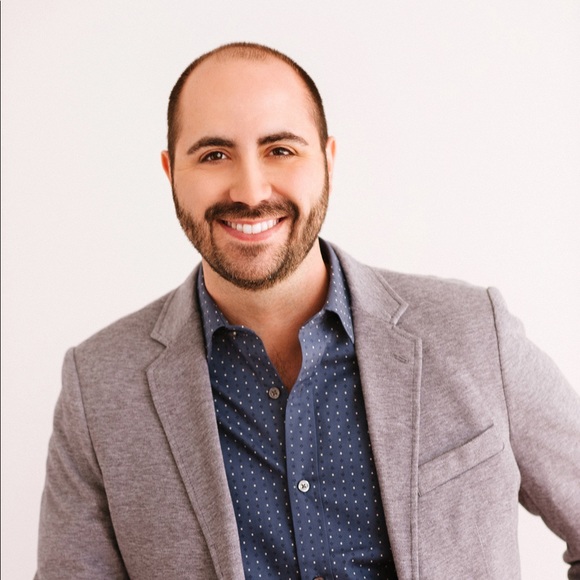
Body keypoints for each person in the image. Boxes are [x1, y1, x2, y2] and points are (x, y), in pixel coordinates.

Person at [36, 42, 580, 580]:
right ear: (170, 172)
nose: (251, 191)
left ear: (327, 161)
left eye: (280, 150)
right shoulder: (98, 386)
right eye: (214, 155)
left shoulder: (474, 332)